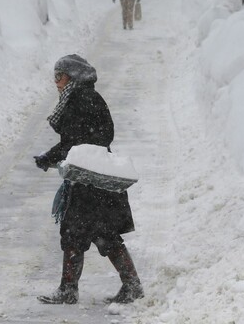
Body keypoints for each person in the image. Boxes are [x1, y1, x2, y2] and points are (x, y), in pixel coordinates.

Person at [33, 54, 144, 305]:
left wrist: (49, 157)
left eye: (59, 77)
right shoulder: (88, 97)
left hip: (90, 181)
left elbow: (74, 142)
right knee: (99, 233)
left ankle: (70, 290)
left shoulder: (80, 99)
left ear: (70, 77)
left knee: (76, 232)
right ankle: (129, 285)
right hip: (95, 178)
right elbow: (92, 137)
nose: (56, 83)